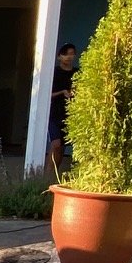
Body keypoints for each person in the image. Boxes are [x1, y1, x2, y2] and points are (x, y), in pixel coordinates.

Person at [48, 43, 79, 173]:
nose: (69, 57)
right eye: (65, 54)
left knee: (62, 147)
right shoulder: (54, 72)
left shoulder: (77, 73)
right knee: (56, 145)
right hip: (54, 113)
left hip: (70, 114)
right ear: (59, 57)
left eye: (71, 54)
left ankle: (55, 174)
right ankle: (47, 175)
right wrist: (62, 92)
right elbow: (46, 94)